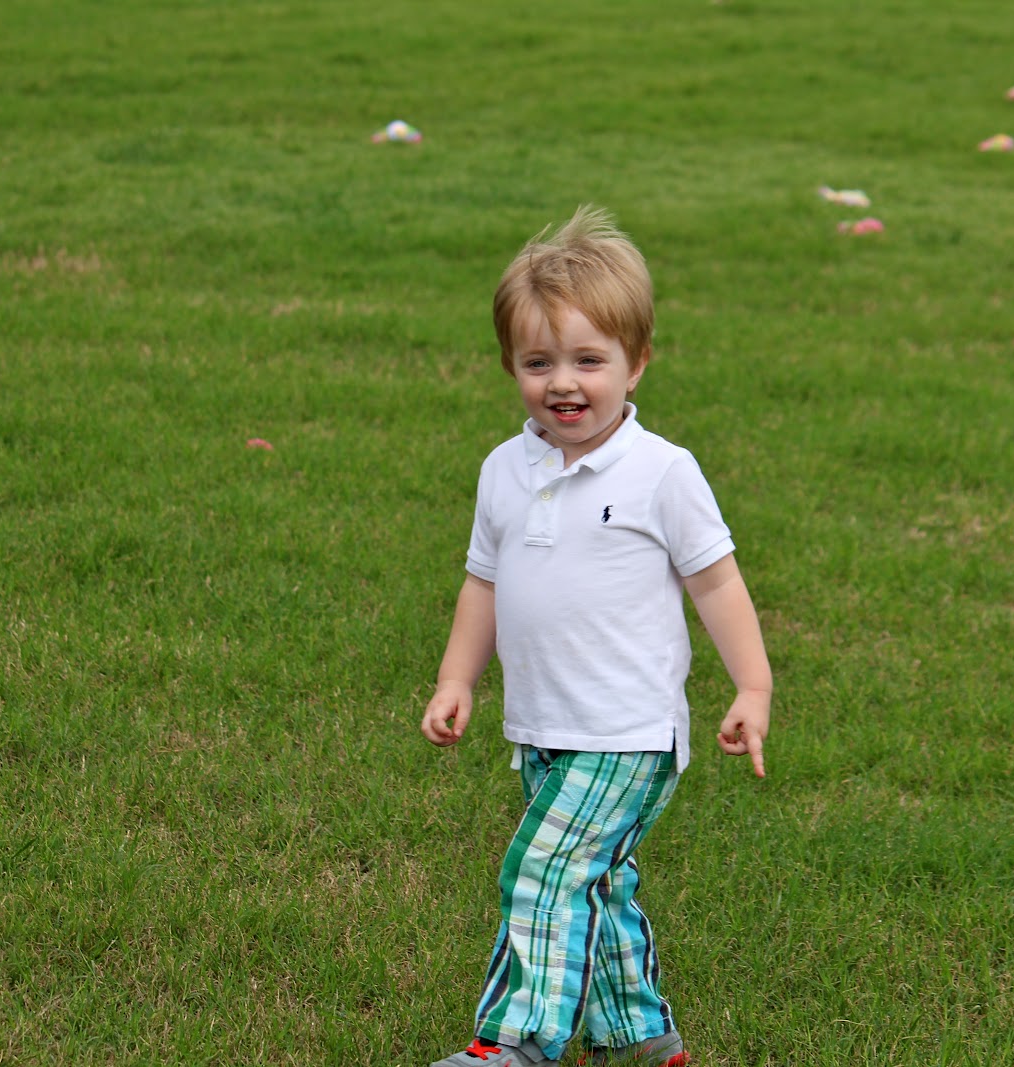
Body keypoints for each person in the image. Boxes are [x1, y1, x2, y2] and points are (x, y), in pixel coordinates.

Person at [421, 206, 772, 1067]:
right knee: (597, 882)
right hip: (543, 726)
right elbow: (484, 580)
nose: (563, 383)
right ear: (511, 365)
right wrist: (457, 676)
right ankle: (641, 1038)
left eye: (589, 360)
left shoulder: (662, 472)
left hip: (627, 730)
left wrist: (753, 686)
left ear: (636, 361)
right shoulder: (506, 468)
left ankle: (514, 1044)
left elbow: (717, 582)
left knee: (540, 874)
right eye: (539, 363)